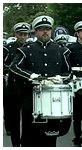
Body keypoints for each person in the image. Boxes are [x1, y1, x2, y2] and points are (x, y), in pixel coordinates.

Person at [9, 15, 72, 147]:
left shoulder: (61, 50)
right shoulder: (27, 49)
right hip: (30, 99)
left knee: (50, 138)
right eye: (42, 29)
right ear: (36, 32)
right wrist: (30, 75)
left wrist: (61, 79)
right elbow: (14, 67)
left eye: (48, 29)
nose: (45, 32)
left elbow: (69, 73)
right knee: (29, 137)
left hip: (52, 101)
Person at [3, 22, 30, 146]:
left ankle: (24, 142)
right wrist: (11, 69)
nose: (23, 37)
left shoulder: (31, 48)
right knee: (13, 118)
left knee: (27, 118)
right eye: (21, 34)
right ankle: (15, 144)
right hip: (13, 87)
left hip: (27, 87)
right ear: (16, 34)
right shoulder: (8, 48)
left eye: (25, 35)